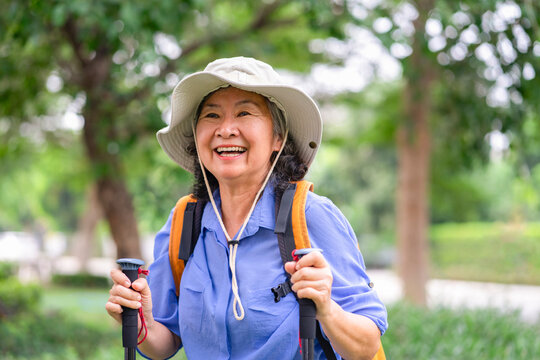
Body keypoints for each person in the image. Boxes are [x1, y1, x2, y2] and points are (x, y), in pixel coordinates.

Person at [106, 56, 387, 360]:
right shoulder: (185, 221)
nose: (226, 129)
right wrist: (140, 322)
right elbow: (166, 342)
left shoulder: (309, 216)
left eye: (244, 113)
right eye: (211, 116)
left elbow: (366, 345)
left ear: (277, 138)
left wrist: (327, 310)